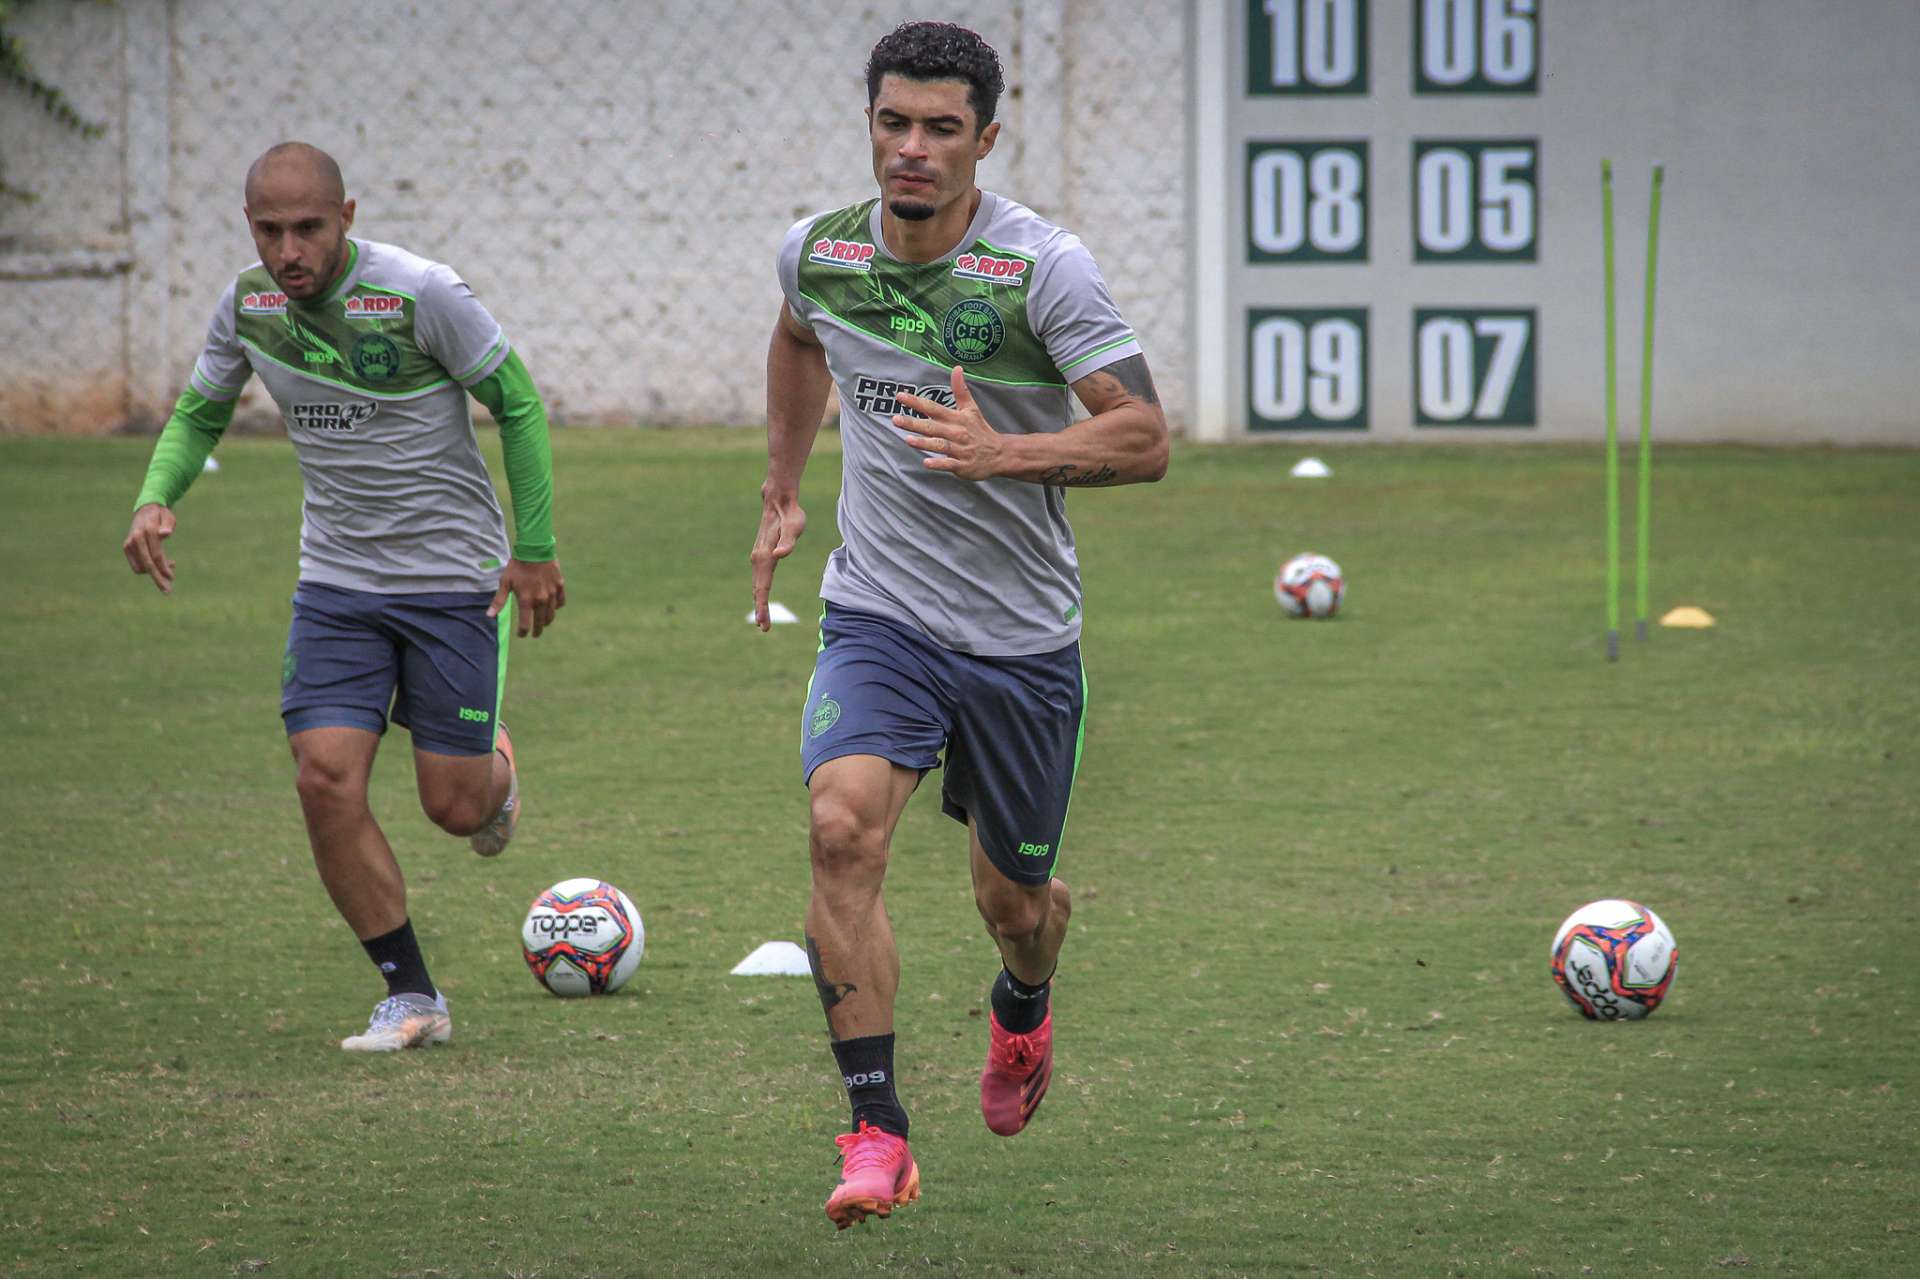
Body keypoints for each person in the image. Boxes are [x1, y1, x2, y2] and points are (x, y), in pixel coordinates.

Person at [750, 22, 1169, 1229]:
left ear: (985, 139)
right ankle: (876, 1129)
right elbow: (796, 339)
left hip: (1021, 640)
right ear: (869, 125)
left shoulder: (1043, 268)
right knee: (840, 831)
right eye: (894, 123)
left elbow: (1143, 438)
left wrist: (1004, 453)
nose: (913, 151)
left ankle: (1024, 1008)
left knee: (1014, 904)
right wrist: (783, 485)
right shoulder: (819, 253)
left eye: (942, 129)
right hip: (879, 610)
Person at [121, 142, 565, 1053]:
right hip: (336, 581)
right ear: (250, 226)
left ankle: (497, 771)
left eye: (309, 227)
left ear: (348, 217)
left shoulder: (417, 294)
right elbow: (203, 409)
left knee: (455, 806)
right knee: (324, 776)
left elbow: (516, 401)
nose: (290, 249)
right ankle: (411, 995)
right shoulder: (247, 305)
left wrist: (534, 551)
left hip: (451, 580)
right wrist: (157, 495)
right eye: (271, 229)